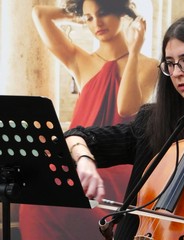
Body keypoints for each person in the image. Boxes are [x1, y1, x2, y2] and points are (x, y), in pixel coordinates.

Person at [63, 13, 184, 239]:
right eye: (170, 64)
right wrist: (84, 159)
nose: (176, 73)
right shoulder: (153, 121)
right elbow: (76, 135)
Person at [19, 1, 159, 239]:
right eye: (90, 18)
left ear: (121, 11)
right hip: (77, 157)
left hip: (115, 166)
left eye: (103, 13)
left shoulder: (149, 64)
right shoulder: (79, 60)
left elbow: (126, 109)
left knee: (52, 198)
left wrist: (134, 51)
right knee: (34, 201)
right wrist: (78, 13)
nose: (97, 23)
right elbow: (40, 14)